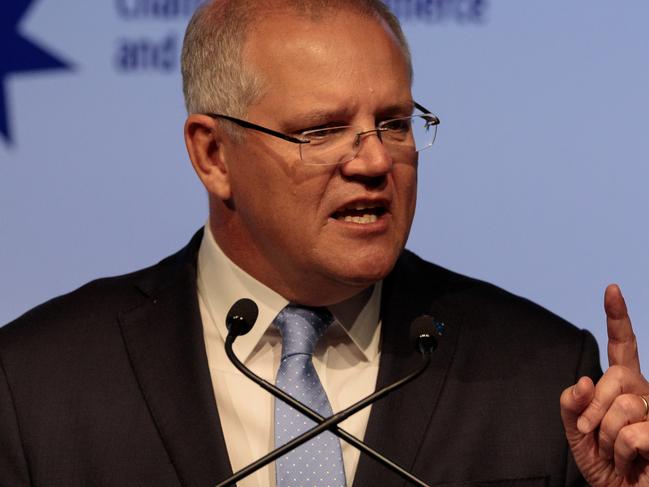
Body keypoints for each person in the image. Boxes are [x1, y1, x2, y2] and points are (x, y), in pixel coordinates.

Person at [1, 1, 648, 486]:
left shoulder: (544, 376)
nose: (374, 161)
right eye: (322, 129)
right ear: (213, 154)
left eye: (393, 123)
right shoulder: (38, 382)